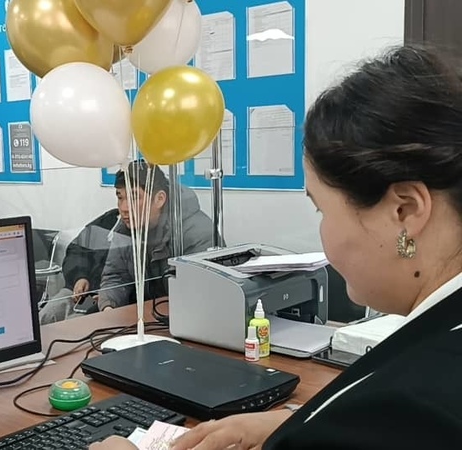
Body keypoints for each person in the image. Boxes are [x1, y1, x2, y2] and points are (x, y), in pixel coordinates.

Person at [92, 45, 462, 450]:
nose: (323, 232)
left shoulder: (423, 400)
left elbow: (387, 419)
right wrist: (296, 419)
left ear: (405, 210)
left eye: (322, 209)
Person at [97, 161, 214, 311]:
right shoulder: (126, 227)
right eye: (120, 198)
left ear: (159, 199)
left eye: (134, 197)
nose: (124, 208)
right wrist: (108, 307)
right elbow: (115, 276)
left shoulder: (196, 232)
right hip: (146, 313)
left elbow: (200, 293)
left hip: (185, 313)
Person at [39, 208, 121, 324]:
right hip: (80, 291)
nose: (125, 207)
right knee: (45, 317)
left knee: (74, 326)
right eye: (120, 199)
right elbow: (77, 250)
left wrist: (107, 297)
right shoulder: (108, 220)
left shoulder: (140, 233)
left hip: (110, 298)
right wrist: (80, 276)